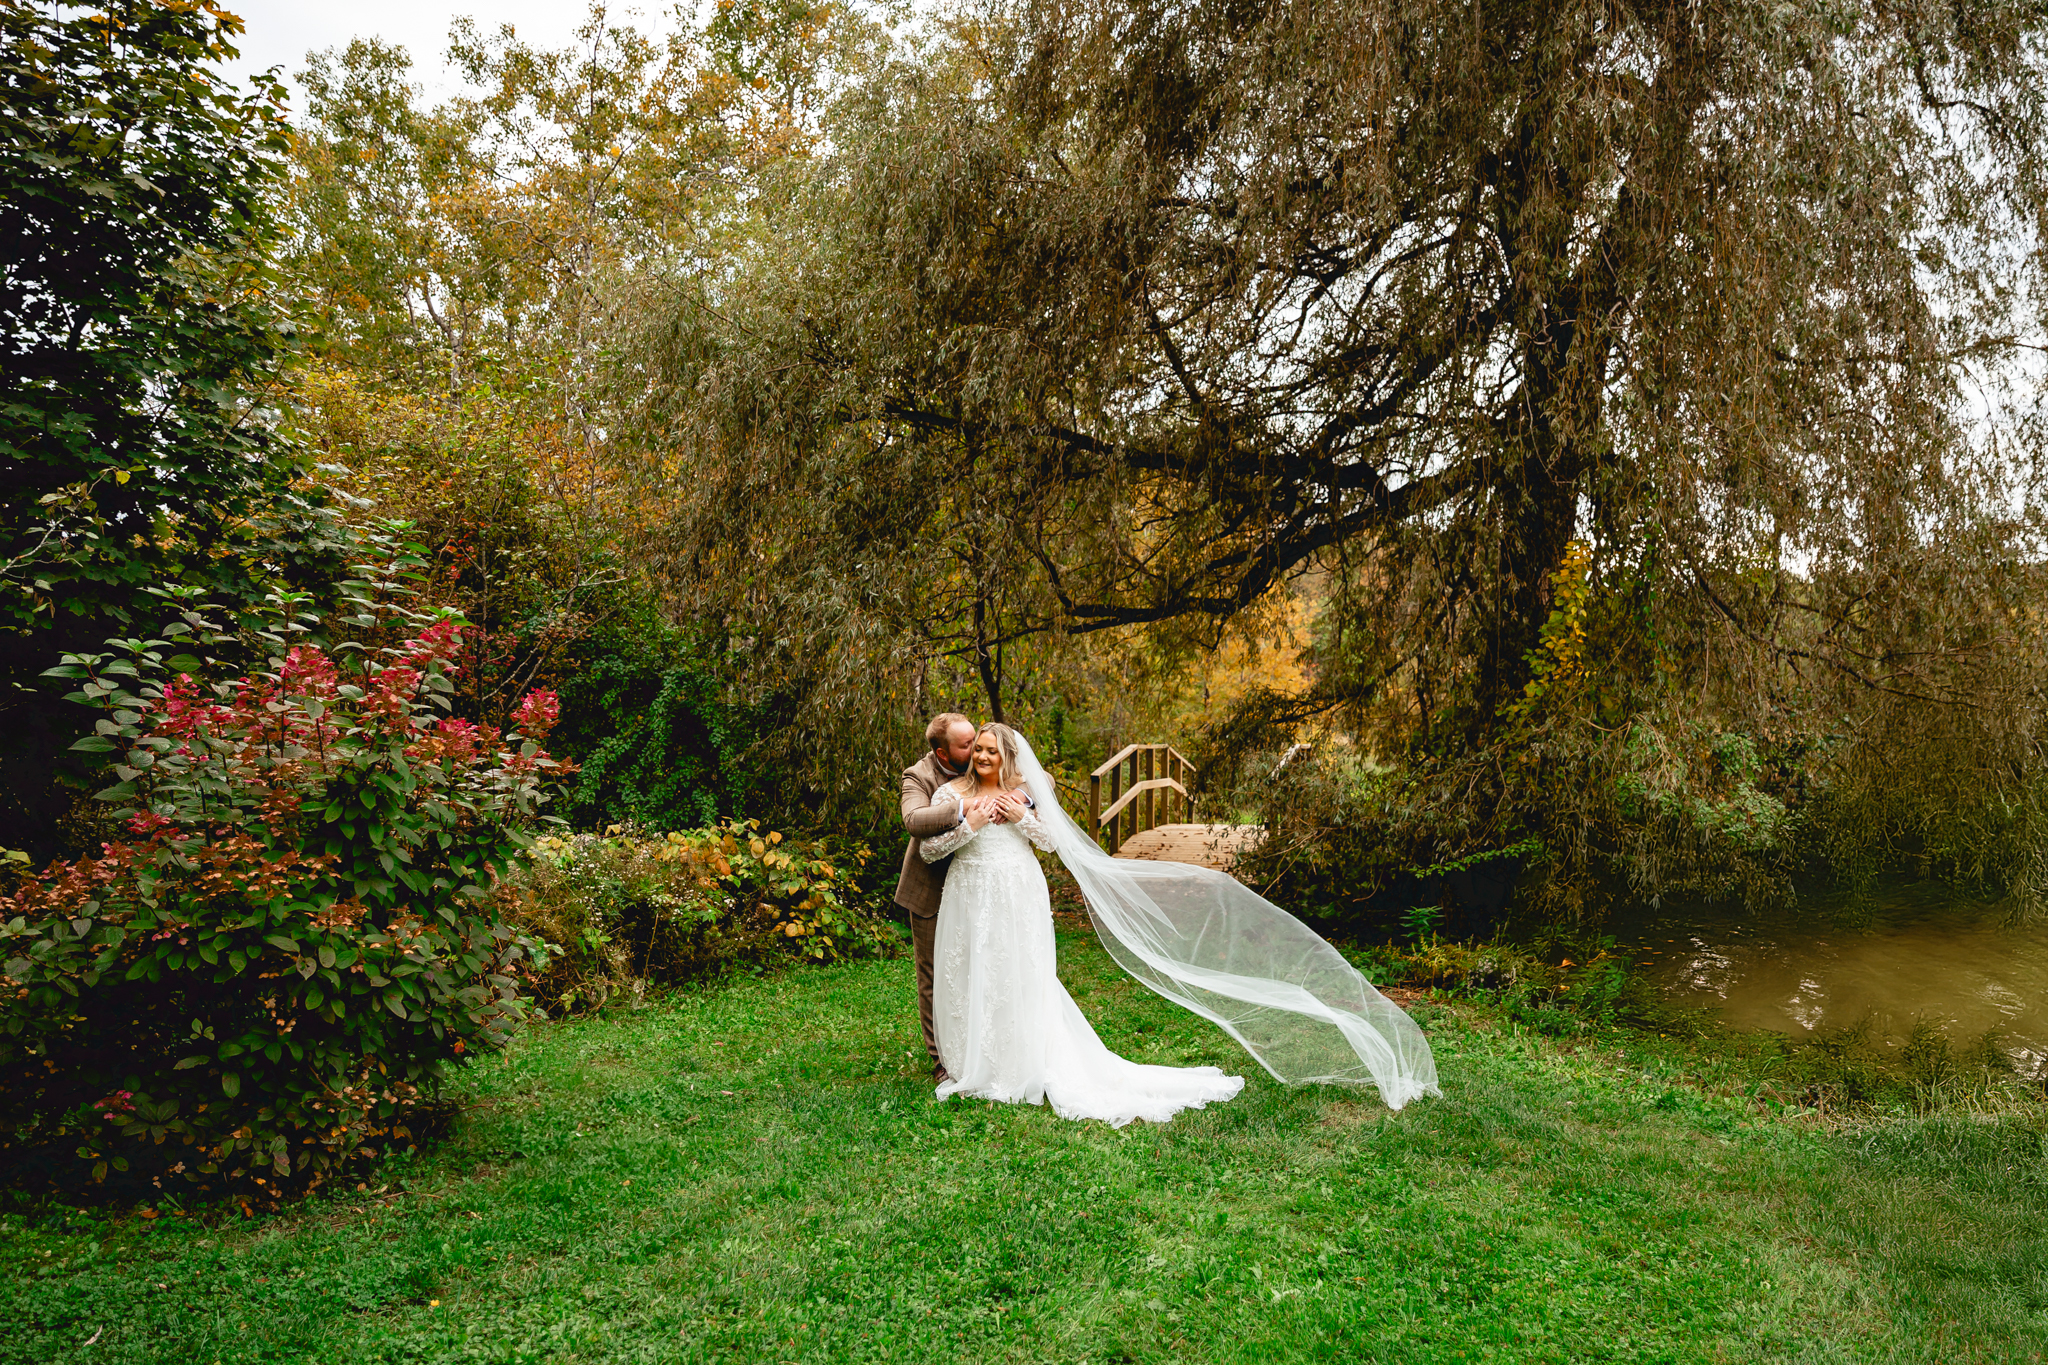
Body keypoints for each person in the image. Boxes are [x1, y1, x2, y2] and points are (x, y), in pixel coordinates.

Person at [918, 723, 1438, 1125]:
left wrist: (1022, 816)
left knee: (1020, 974)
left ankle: (1020, 1061)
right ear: (966, 754)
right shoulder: (949, 795)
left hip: (1017, 892)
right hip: (969, 892)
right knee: (973, 969)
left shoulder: (1023, 791)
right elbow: (932, 847)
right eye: (978, 749)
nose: (983, 756)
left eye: (992, 750)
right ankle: (973, 1063)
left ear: (1006, 756)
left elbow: (1052, 842)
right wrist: (973, 820)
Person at [894, 713, 978, 1082]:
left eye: (976, 740)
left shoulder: (985, 760)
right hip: (931, 888)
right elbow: (914, 819)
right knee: (933, 976)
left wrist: (1018, 795)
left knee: (977, 967)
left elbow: (1041, 778)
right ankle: (941, 1060)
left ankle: (977, 1047)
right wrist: (963, 808)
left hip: (978, 886)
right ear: (944, 755)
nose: (976, 749)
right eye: (966, 745)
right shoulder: (919, 776)